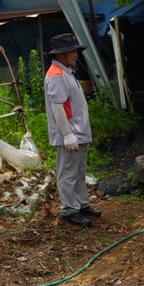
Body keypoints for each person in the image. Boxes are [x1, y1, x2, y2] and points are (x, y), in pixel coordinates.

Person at [44, 33, 101, 228]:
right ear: (61, 54)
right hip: (69, 134)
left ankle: (81, 204)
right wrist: (67, 134)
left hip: (78, 132)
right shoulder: (57, 75)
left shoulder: (65, 72)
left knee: (78, 171)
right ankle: (69, 210)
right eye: (72, 51)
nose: (76, 54)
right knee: (68, 173)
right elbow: (57, 106)